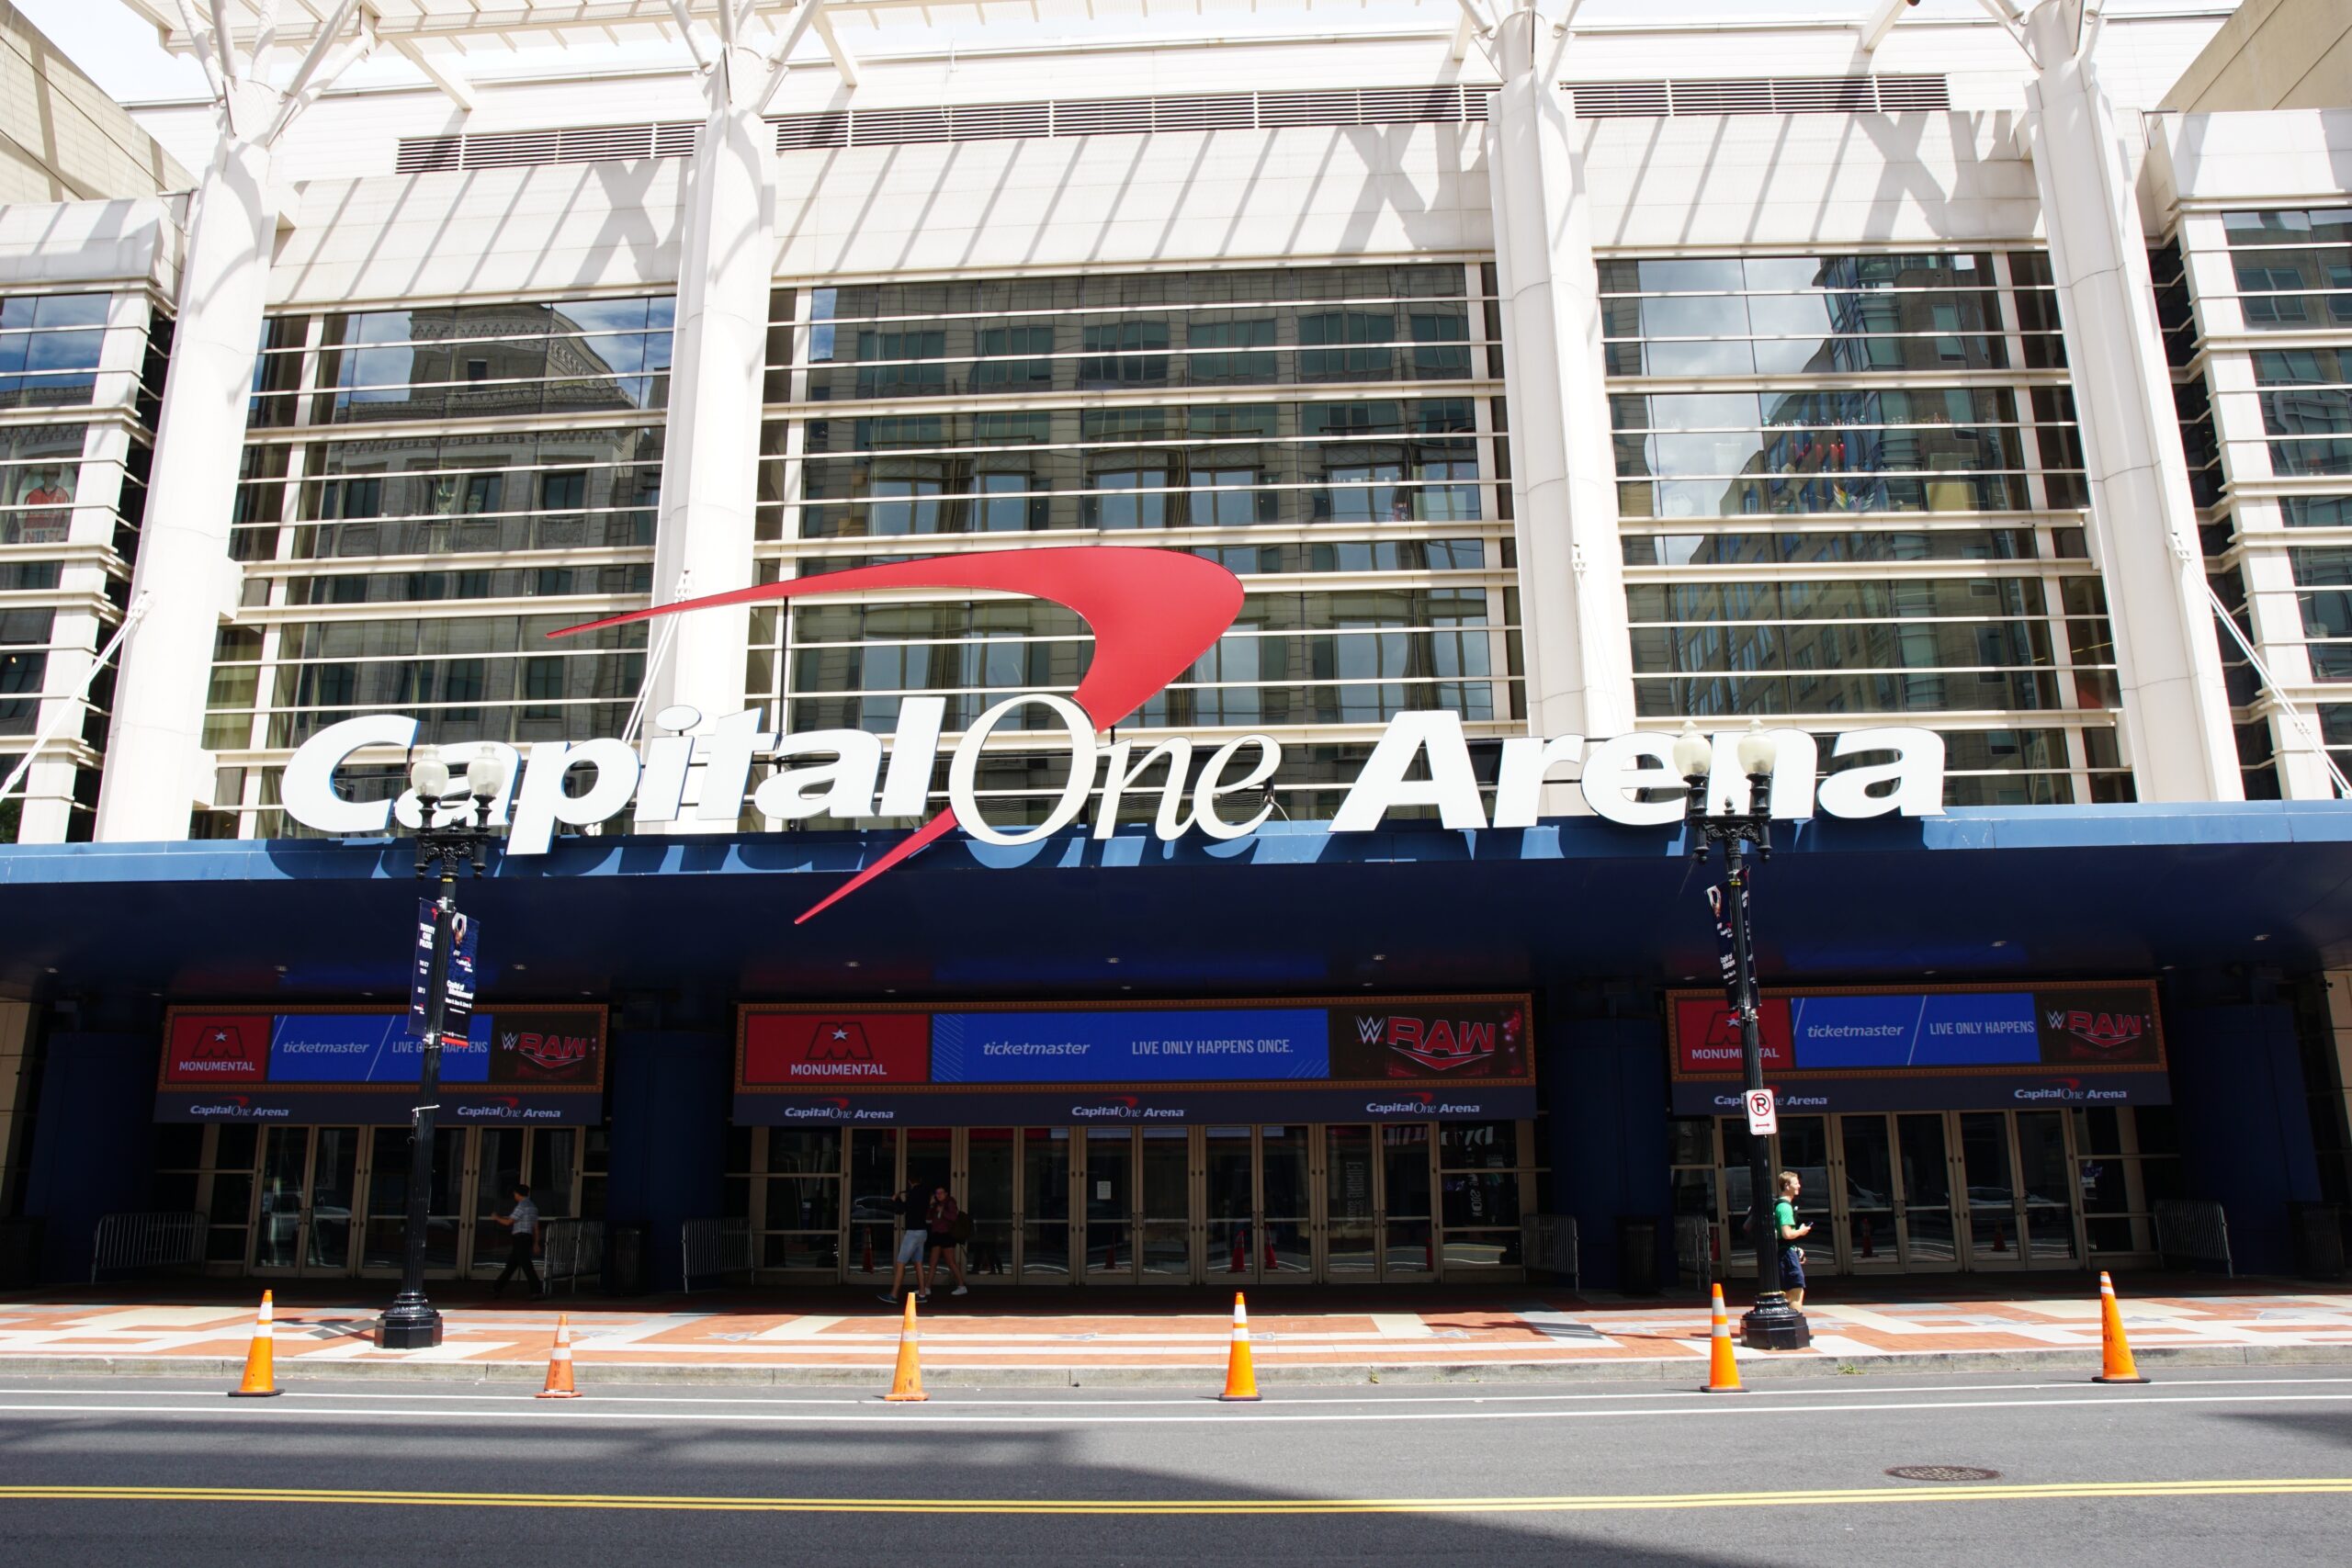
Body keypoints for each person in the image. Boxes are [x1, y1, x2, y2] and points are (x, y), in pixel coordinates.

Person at [879, 1176, 932, 1305]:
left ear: (910, 1182)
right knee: (918, 1263)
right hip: (922, 1231)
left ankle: (893, 1295)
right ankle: (922, 1294)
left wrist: (895, 1199)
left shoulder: (913, 1193)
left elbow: (903, 1209)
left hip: (912, 1233)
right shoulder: (925, 1193)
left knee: (901, 1263)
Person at [492, 1182, 542, 1299]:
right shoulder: (533, 1206)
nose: (514, 1195)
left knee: (525, 1265)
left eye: (514, 1193)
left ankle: (537, 1290)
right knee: (512, 1265)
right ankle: (497, 1287)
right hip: (527, 1237)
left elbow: (508, 1222)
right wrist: (535, 1243)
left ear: (518, 1194)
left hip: (520, 1238)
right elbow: (536, 1227)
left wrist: (496, 1217)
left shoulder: (521, 1206)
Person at [1773, 1169, 1813, 1310]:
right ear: (1787, 1186)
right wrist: (1801, 1231)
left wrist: (1796, 1248)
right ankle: (1795, 1326)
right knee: (1796, 1290)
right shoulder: (1785, 1207)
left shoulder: (1780, 1205)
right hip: (1786, 1254)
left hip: (1786, 1251)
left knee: (1790, 1292)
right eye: (1796, 1183)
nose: (1799, 1186)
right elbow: (1787, 1234)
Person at [925, 1181, 970, 1298]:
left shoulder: (950, 1202)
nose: (939, 1195)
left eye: (941, 1193)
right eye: (937, 1193)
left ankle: (961, 1286)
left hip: (947, 1235)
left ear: (946, 1193)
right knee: (933, 1262)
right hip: (937, 1234)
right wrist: (931, 1205)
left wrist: (942, 1211)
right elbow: (928, 1217)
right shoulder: (935, 1204)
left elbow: (954, 1217)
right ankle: (927, 1288)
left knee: (950, 1261)